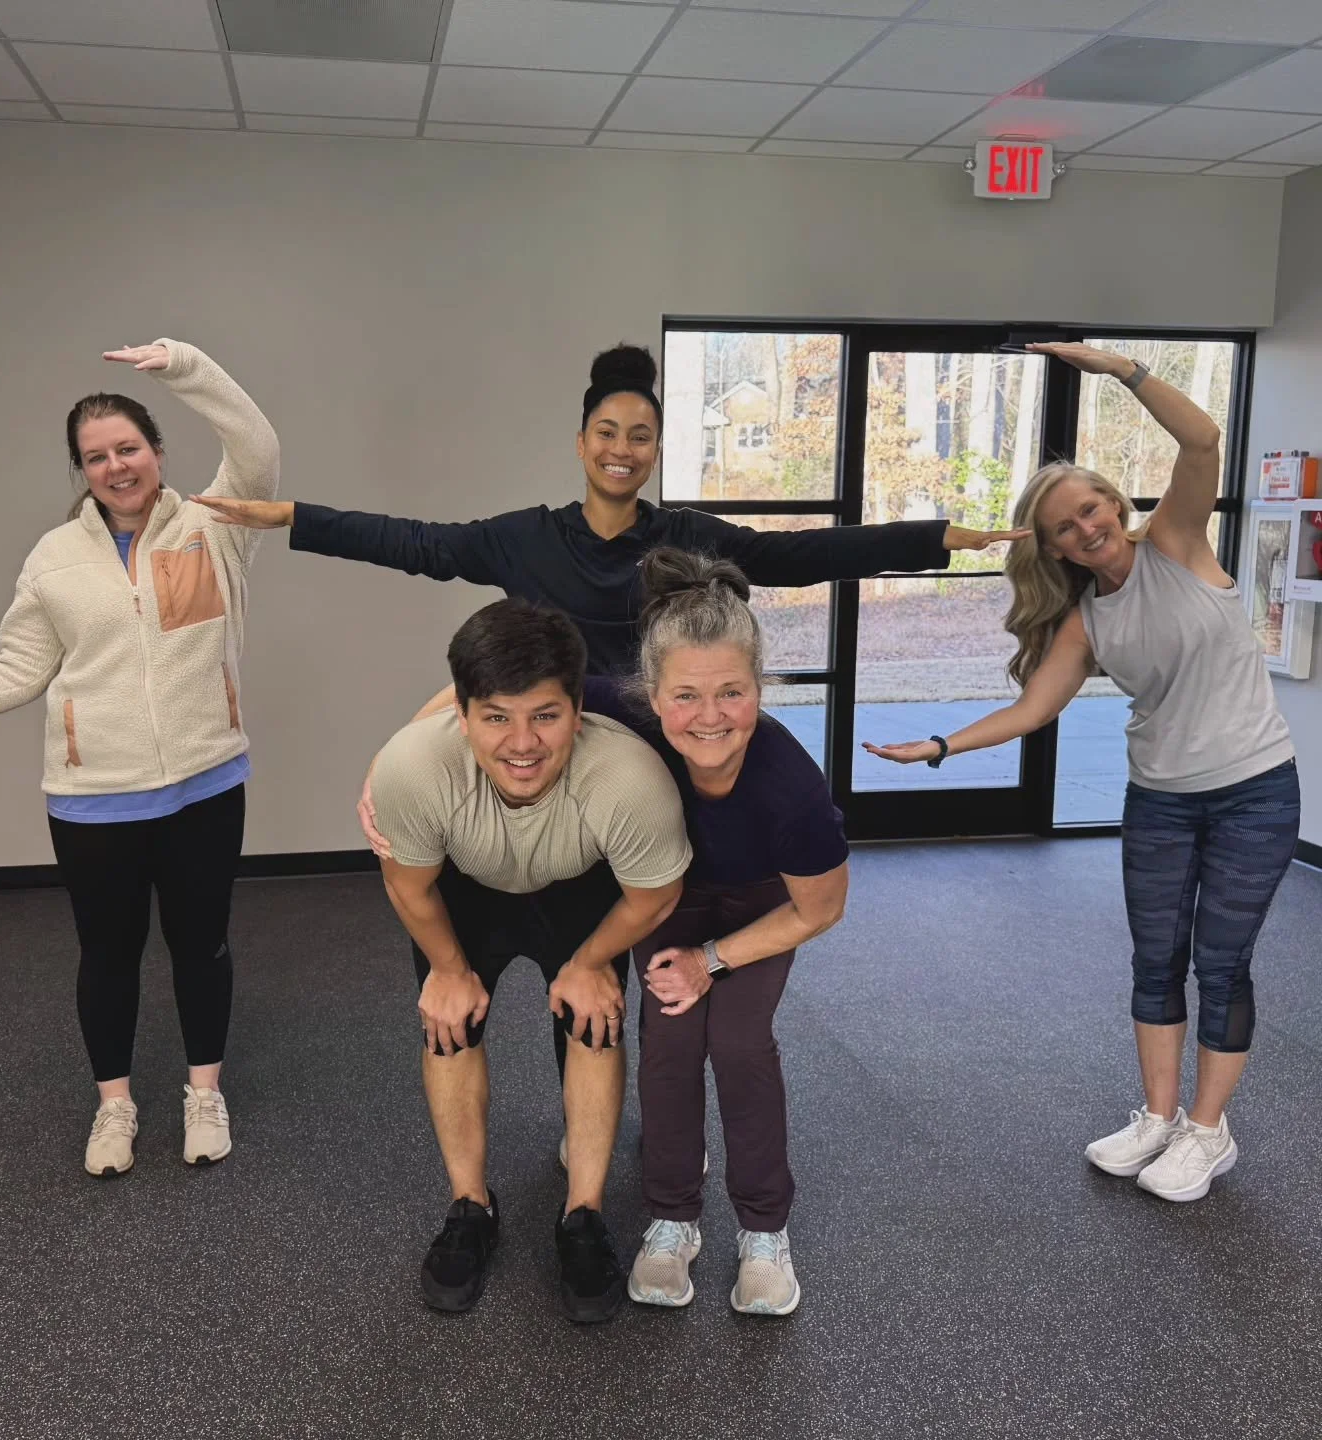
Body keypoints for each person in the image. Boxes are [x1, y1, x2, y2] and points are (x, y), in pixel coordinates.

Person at [864, 341, 1299, 1204]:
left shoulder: (1176, 541)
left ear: (1114, 502)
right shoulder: (1085, 621)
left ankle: (1208, 1132)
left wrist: (1115, 369)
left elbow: (1202, 440)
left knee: (1222, 963)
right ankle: (1159, 1117)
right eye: (1066, 526)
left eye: (1092, 507)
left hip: (1254, 792)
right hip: (1161, 801)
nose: (1087, 527)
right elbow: (1032, 710)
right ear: (1056, 547)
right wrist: (940, 746)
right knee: (1155, 961)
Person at [365, 549, 850, 1316]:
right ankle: (586, 1213)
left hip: (706, 903)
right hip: (576, 893)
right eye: (686, 695)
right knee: (638, 1041)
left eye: (732, 692)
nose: (709, 715)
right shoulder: (575, 719)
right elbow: (484, 712)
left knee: (699, 1037)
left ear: (761, 688)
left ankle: (695, 1225)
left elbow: (804, 908)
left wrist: (676, 961)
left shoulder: (760, 786)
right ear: (650, 695)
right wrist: (388, 770)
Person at [0, 340, 280, 1178]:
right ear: (82, 471)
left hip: (206, 784)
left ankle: (204, 1093)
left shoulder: (214, 526)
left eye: (128, 448)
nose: (115, 466)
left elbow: (257, 445)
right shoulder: (54, 560)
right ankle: (115, 1107)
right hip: (95, 800)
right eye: (96, 457)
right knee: (107, 957)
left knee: (202, 946)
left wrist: (184, 365)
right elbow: (18, 670)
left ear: (157, 451)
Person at [190, 343, 1026, 673]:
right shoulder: (526, 539)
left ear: (655, 450)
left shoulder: (686, 538)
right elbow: (417, 543)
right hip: (555, 742)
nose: (622, 449)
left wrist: (937, 537)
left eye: (640, 436)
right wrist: (292, 516)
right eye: (607, 432)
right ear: (582, 441)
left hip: (656, 742)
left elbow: (800, 556)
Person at [367, 598, 690, 1322]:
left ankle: (584, 1215)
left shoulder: (628, 777)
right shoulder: (414, 767)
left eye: (545, 715)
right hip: (465, 889)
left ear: (578, 711)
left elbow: (656, 894)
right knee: (448, 1025)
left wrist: (593, 961)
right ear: (461, 713)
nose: (522, 743)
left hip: (580, 889)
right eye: (496, 717)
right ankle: (470, 1206)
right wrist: (448, 971)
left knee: (594, 1021)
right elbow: (408, 886)